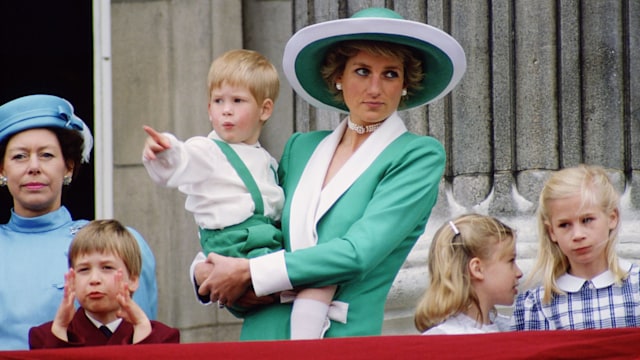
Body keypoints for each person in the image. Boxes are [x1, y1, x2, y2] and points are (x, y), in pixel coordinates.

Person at [191, 7, 467, 340]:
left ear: (406, 83)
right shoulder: (301, 148)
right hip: (262, 336)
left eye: (391, 74)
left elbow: (358, 253)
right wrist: (207, 270)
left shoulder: (417, 156)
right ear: (339, 76)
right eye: (362, 71)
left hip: (341, 341)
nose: (375, 87)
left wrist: (248, 271)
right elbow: (256, 225)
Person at [142, 49, 332, 339]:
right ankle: (307, 341)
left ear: (265, 110)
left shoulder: (265, 160)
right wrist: (164, 151)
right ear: (209, 108)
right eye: (218, 101)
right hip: (235, 244)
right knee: (315, 280)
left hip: (260, 241)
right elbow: (183, 159)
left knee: (310, 280)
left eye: (237, 101)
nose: (226, 110)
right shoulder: (208, 150)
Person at [0, 94, 158, 350]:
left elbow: (142, 346)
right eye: (19, 156)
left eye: (47, 155)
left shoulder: (119, 243)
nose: (34, 167)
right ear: (2, 170)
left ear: (69, 167)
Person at [511, 164, 639, 330]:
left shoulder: (636, 288)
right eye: (564, 225)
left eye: (587, 220)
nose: (578, 235)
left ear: (612, 218)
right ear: (552, 232)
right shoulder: (537, 306)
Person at [29, 219, 179, 348]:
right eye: (84, 269)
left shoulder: (162, 337)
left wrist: (142, 330)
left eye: (107, 268)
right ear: (72, 280)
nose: (94, 279)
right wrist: (60, 330)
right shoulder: (45, 336)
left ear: (133, 280)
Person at [415, 214, 523, 335]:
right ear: (477, 269)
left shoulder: (513, 329)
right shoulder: (441, 340)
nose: (519, 273)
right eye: (511, 260)